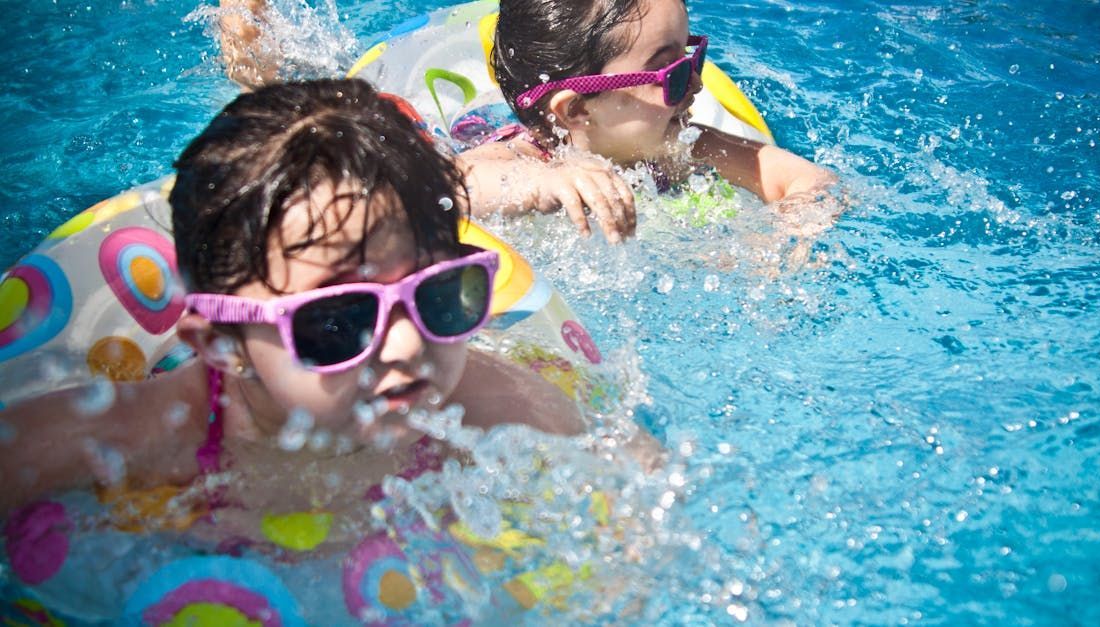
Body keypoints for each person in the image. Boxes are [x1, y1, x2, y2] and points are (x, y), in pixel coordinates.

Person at [0, 79, 583, 535]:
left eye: (437, 296)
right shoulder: (124, 443)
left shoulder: (500, 410)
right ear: (220, 344)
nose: (408, 345)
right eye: (340, 320)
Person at [213, 0, 837, 245]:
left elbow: (804, 180)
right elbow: (438, 190)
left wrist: (786, 240)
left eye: (693, 56)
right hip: (461, 129)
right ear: (575, 111)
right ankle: (251, 42)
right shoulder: (525, 159)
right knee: (293, 116)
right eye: (671, 74)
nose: (696, 85)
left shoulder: (681, 143)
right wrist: (536, 187)